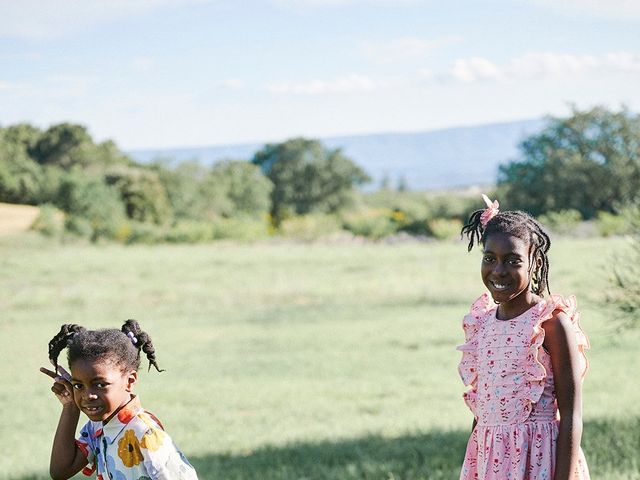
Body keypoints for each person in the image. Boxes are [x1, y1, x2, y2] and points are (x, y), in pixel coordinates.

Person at [457, 195, 590, 480]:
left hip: (541, 461)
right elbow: (483, 412)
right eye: (489, 258)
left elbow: (571, 416)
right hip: (490, 462)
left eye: (512, 260)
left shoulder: (551, 324)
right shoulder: (482, 324)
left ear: (534, 262)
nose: (498, 270)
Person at [40, 320, 198, 480]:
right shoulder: (97, 427)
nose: (88, 395)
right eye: (78, 386)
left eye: (100, 384)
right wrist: (70, 407)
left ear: (130, 381)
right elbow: (61, 471)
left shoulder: (146, 434)